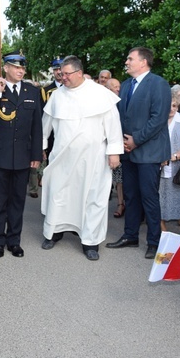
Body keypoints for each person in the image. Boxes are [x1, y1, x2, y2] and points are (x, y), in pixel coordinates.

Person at [39, 56, 122, 260]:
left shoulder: (101, 94)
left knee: (93, 198)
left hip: (93, 159)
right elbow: (45, 125)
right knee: (59, 195)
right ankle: (54, 232)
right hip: (62, 157)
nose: (62, 77)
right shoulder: (57, 96)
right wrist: (40, 148)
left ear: (78, 73)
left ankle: (90, 242)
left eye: (66, 74)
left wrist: (114, 152)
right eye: (60, 73)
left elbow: (113, 125)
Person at [106, 47, 171, 259]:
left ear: (143, 62)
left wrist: (136, 140)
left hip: (148, 152)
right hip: (128, 151)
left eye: (130, 59)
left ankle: (154, 241)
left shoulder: (159, 84)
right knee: (131, 195)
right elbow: (119, 117)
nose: (126, 62)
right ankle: (130, 235)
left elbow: (158, 118)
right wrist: (120, 142)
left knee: (149, 196)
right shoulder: (125, 86)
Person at [0, 51, 43, 258]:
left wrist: (36, 155)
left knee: (17, 202)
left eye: (23, 67)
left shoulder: (31, 92)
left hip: (22, 157)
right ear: (6, 68)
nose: (21, 70)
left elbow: (37, 127)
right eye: (16, 67)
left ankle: (14, 241)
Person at [159, 94, 180, 234]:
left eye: (174, 106)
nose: (171, 109)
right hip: (159, 165)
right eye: (168, 105)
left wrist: (175, 156)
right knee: (160, 197)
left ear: (178, 106)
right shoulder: (158, 119)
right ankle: (162, 229)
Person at [105, 78, 126, 218]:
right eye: (114, 87)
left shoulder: (124, 101)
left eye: (119, 86)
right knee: (118, 178)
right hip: (113, 145)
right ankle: (120, 203)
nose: (118, 89)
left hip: (127, 143)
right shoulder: (106, 103)